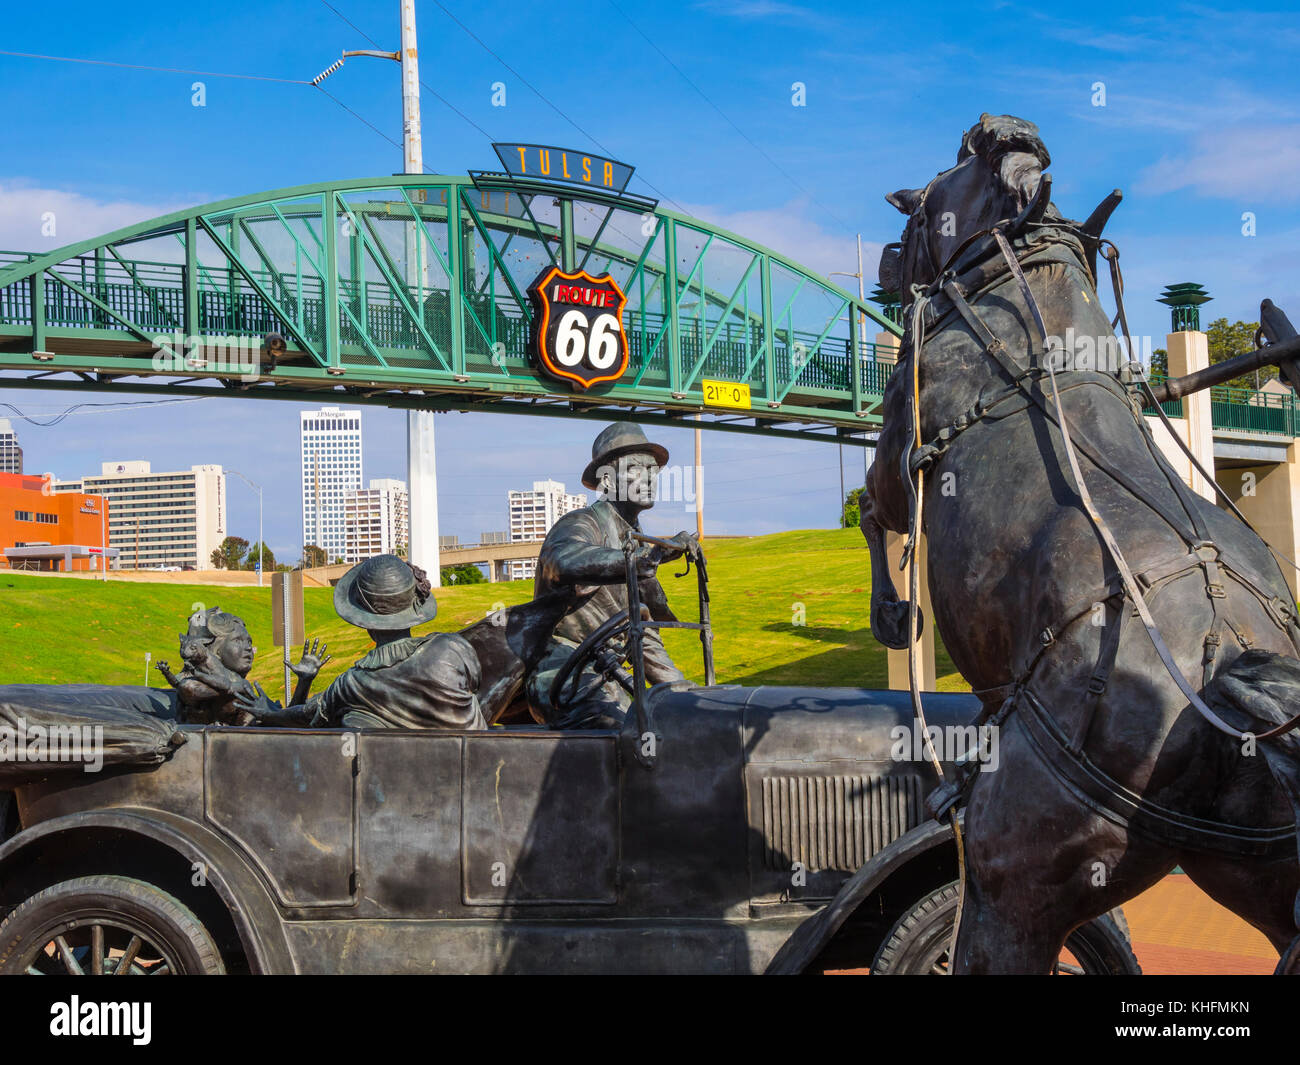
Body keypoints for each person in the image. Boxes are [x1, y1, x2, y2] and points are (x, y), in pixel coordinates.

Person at [527, 422, 696, 729]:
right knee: (623, 727)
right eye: (636, 469)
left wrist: (683, 694)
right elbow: (561, 560)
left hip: (609, 671)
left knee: (684, 718)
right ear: (607, 479)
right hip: (564, 673)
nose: (649, 478)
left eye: (653, 470)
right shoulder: (582, 524)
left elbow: (641, 632)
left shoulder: (633, 538)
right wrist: (640, 558)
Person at [237, 555, 485, 730]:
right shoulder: (454, 649)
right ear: (413, 604)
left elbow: (305, 717)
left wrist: (272, 712)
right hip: (479, 779)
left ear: (365, 621)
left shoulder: (352, 685)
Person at [157, 607, 329, 725]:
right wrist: (237, 687)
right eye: (238, 641)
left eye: (249, 642)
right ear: (215, 650)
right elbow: (189, 690)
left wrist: (304, 682)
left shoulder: (245, 688)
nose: (247, 647)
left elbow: (285, 724)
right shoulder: (198, 685)